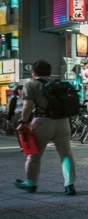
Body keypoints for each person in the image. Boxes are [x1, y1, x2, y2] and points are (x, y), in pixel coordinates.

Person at [13, 60, 77, 195]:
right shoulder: (57, 83)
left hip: (42, 122)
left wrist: (23, 122)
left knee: (34, 155)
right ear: (49, 72)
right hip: (63, 122)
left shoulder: (31, 84)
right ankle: (69, 185)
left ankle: (31, 183)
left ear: (33, 72)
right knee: (66, 154)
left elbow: (28, 106)